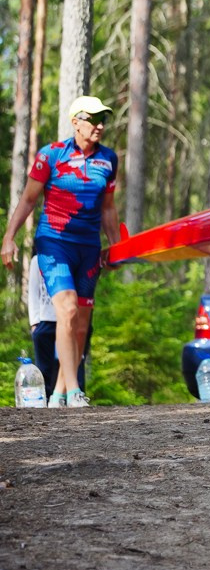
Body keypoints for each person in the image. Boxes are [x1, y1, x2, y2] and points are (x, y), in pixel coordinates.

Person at [2, 95, 121, 408]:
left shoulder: (109, 159)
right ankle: (73, 391)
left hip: (89, 247)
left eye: (103, 119)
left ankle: (57, 392)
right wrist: (8, 238)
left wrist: (116, 245)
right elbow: (28, 200)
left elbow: (108, 209)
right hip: (54, 242)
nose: (99, 125)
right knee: (66, 310)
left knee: (81, 322)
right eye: (93, 119)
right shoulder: (51, 155)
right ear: (75, 122)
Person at [28, 255, 91, 394]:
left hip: (72, 321)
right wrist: (35, 323)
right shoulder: (37, 260)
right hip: (46, 321)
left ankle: (75, 398)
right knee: (45, 369)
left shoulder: (76, 255)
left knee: (74, 364)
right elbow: (33, 292)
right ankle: (46, 404)